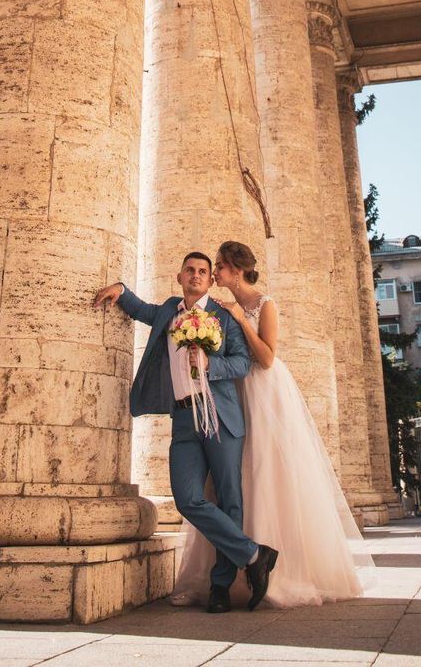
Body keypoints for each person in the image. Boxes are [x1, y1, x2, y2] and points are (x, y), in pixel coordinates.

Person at [170, 240, 372, 608]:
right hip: (230, 394)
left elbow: (266, 357)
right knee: (227, 480)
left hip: (263, 391)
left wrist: (239, 321)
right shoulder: (215, 308)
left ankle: (270, 567)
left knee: (262, 473)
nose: (213, 272)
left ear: (235, 268)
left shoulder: (265, 303)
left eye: (218, 266)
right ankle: (233, 570)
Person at [93, 251, 278, 613]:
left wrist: (212, 364)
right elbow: (143, 310)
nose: (196, 275)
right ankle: (254, 555)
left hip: (222, 417)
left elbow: (243, 362)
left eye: (203, 271)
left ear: (210, 280)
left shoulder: (225, 317)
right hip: (184, 420)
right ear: (180, 277)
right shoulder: (168, 310)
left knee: (229, 500)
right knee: (188, 498)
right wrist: (121, 291)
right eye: (190, 270)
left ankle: (221, 587)